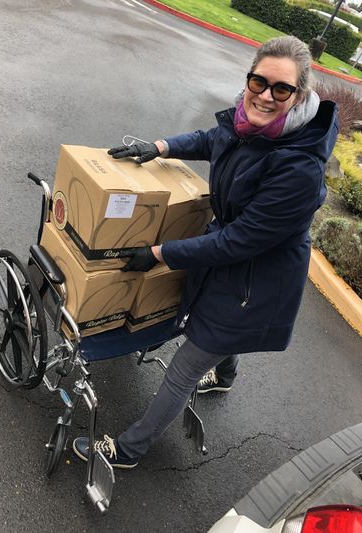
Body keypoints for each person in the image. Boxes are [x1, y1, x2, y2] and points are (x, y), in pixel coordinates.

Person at [72, 36, 338, 468]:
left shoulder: (299, 170)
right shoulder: (248, 124)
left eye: (281, 89)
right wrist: (157, 147)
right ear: (249, 78)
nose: (266, 96)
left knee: (187, 365)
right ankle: (226, 376)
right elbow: (209, 138)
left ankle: (128, 450)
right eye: (259, 82)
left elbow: (239, 242)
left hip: (257, 279)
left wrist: (159, 252)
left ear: (300, 95)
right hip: (233, 259)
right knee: (221, 333)